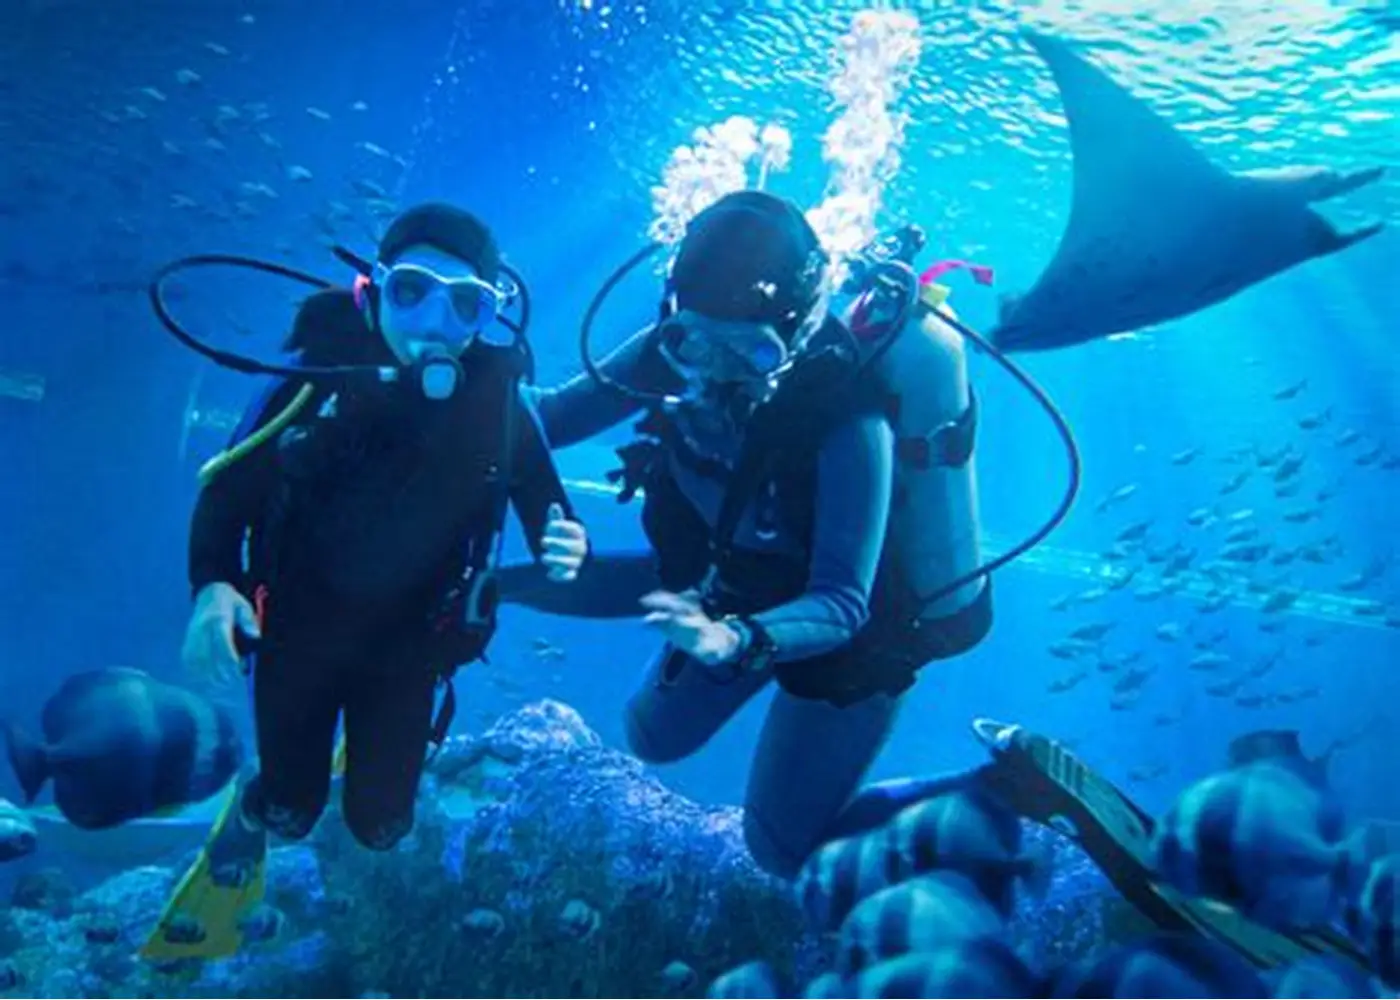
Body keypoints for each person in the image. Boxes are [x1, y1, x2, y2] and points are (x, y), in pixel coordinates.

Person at [144, 202, 589, 960]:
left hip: (411, 649)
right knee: (290, 813)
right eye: (413, 290)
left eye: (466, 304)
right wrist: (212, 586)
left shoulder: (499, 406)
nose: (436, 323)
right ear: (372, 289)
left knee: (381, 829)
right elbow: (226, 497)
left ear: (488, 316)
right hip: (297, 637)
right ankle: (255, 808)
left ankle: (359, 759)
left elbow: (550, 507)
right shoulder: (309, 381)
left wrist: (566, 540)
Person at [507, 190, 993, 878]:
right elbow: (546, 418)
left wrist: (736, 640)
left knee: (779, 849)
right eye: (694, 341)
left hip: (850, 646)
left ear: (793, 335)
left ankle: (998, 788)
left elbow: (842, 603)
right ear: (673, 320)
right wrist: (437, 379)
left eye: (751, 351)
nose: (715, 371)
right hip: (735, 594)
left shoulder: (847, 421)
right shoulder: (671, 356)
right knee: (650, 737)